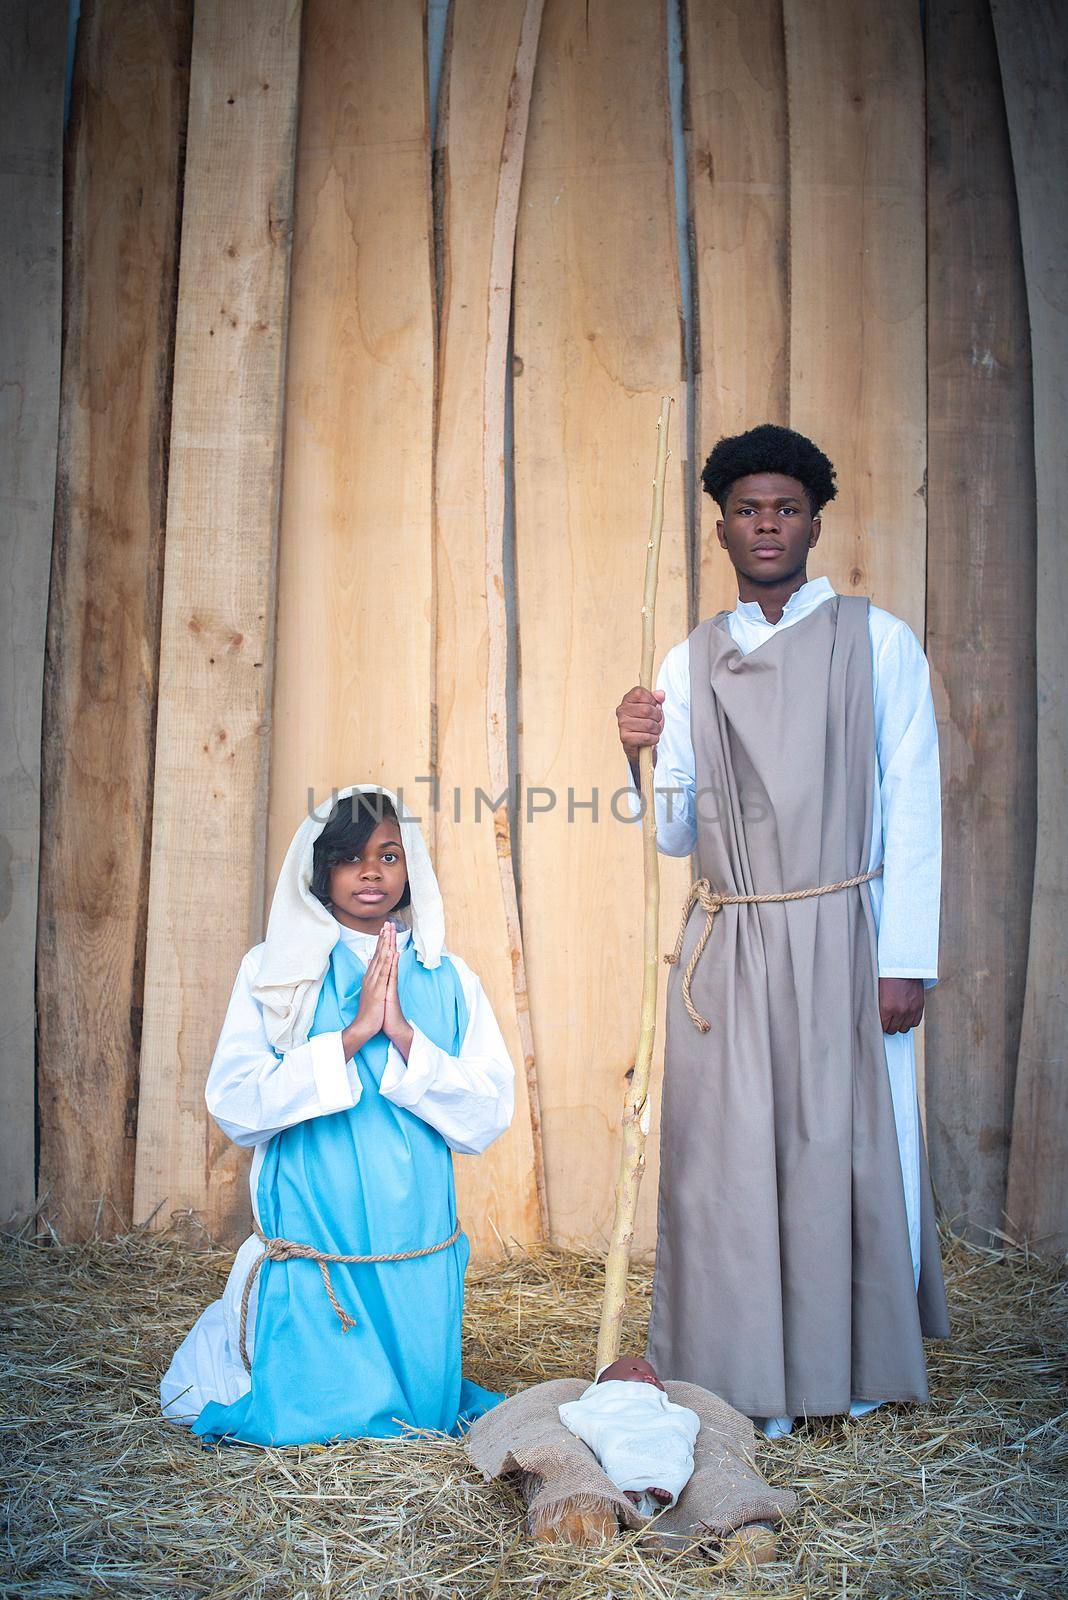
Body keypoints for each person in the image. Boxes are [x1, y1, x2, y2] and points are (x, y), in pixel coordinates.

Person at [615, 423, 949, 1438]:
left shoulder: (875, 640)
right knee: (728, 1161)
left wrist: (906, 961)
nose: (768, 524)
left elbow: (915, 802)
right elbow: (678, 830)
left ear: (814, 521)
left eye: (787, 507)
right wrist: (631, 748)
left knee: (837, 1148)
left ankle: (841, 1375)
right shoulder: (690, 656)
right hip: (736, 941)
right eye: (749, 509)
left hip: (842, 934)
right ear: (720, 528)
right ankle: (736, 1376)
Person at [160, 784, 514, 1446]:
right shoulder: (275, 972)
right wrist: (349, 1039)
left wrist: (405, 1035)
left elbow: (487, 1115)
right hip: (317, 1239)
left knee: (421, 1420)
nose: (372, 873)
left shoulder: (450, 978)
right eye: (351, 858)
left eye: (388, 855)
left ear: (411, 869)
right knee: (321, 1415)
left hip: (413, 1242)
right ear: (320, 873)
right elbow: (236, 1104)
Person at [558, 1356, 701, 1515]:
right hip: (619, 1427)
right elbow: (583, 1413)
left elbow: (683, 1417)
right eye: (636, 1370)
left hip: (658, 1428)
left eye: (655, 1376)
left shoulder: (657, 1397)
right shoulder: (605, 1393)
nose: (650, 1376)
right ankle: (625, 1486)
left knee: (675, 1445)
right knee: (615, 1447)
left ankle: (667, 1484)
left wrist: (678, 1424)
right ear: (606, 1379)